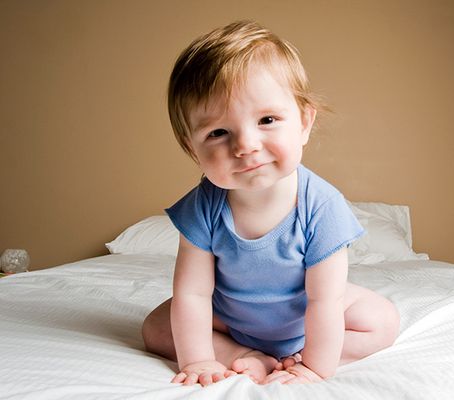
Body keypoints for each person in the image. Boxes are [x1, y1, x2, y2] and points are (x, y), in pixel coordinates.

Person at [141, 20, 400, 386]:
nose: (245, 145)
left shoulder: (321, 206)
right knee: (155, 327)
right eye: (218, 132)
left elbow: (325, 302)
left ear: (304, 123)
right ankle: (243, 355)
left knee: (381, 321)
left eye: (267, 120)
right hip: (233, 318)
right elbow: (193, 293)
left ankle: (296, 357)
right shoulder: (203, 207)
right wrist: (198, 360)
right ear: (191, 149)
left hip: (306, 320)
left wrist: (314, 366)